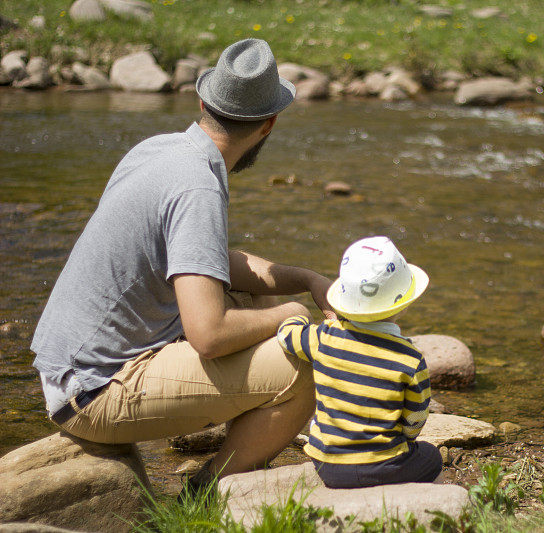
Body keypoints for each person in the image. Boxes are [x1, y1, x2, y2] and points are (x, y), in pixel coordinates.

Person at [30, 39, 334, 491]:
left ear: (203, 103)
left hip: (68, 368)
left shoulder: (161, 150)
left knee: (254, 298)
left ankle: (238, 440)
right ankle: (209, 491)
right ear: (269, 124)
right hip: (92, 392)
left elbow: (208, 260)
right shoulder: (199, 187)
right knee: (305, 362)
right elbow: (208, 336)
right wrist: (293, 314)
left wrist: (307, 280)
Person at [276, 236, 443, 488]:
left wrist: (295, 315)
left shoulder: (325, 336)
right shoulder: (410, 358)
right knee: (431, 456)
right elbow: (415, 419)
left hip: (327, 465)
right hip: (384, 466)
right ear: (403, 304)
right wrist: (406, 440)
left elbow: (286, 336)